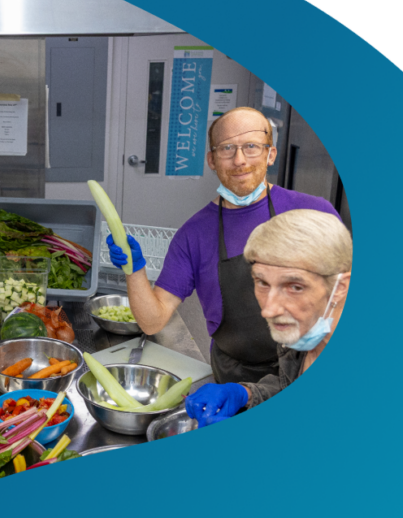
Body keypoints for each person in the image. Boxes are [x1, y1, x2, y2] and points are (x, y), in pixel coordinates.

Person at [106, 107, 342, 384]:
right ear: (212, 160)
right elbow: (152, 321)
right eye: (227, 148)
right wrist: (135, 271)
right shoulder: (193, 234)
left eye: (251, 147)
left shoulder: (314, 211)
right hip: (233, 377)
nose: (239, 160)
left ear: (271, 154)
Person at [185, 209, 352, 426]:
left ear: (339, 287)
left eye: (295, 286)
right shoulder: (304, 336)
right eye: (262, 282)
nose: (269, 311)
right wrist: (247, 393)